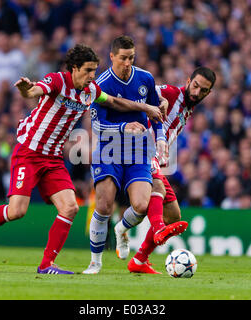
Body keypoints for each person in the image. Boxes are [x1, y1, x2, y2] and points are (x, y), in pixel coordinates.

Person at [0, 44, 163, 275]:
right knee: (17, 211)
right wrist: (26, 90)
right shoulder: (57, 81)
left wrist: (146, 107)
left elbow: (114, 102)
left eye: (94, 71)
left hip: (54, 158)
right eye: (87, 70)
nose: (92, 76)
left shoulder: (91, 91)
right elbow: (35, 91)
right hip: (29, 152)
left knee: (70, 207)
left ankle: (47, 264)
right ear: (74, 68)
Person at [82, 36, 186, 275]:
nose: (128, 62)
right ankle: (95, 262)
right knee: (105, 205)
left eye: (131, 57)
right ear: (112, 57)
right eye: (123, 58)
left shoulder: (145, 78)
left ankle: (122, 229)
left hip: (139, 151)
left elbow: (155, 114)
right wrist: (123, 127)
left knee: (141, 205)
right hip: (109, 150)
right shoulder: (102, 83)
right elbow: (97, 126)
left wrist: (160, 138)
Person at [113, 66, 216, 273]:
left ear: (208, 93)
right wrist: (157, 100)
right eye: (195, 86)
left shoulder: (189, 108)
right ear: (188, 81)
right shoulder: (170, 92)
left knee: (174, 215)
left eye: (203, 90)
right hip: (137, 148)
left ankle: (139, 259)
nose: (197, 93)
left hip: (154, 158)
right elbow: (142, 91)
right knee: (157, 190)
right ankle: (158, 228)